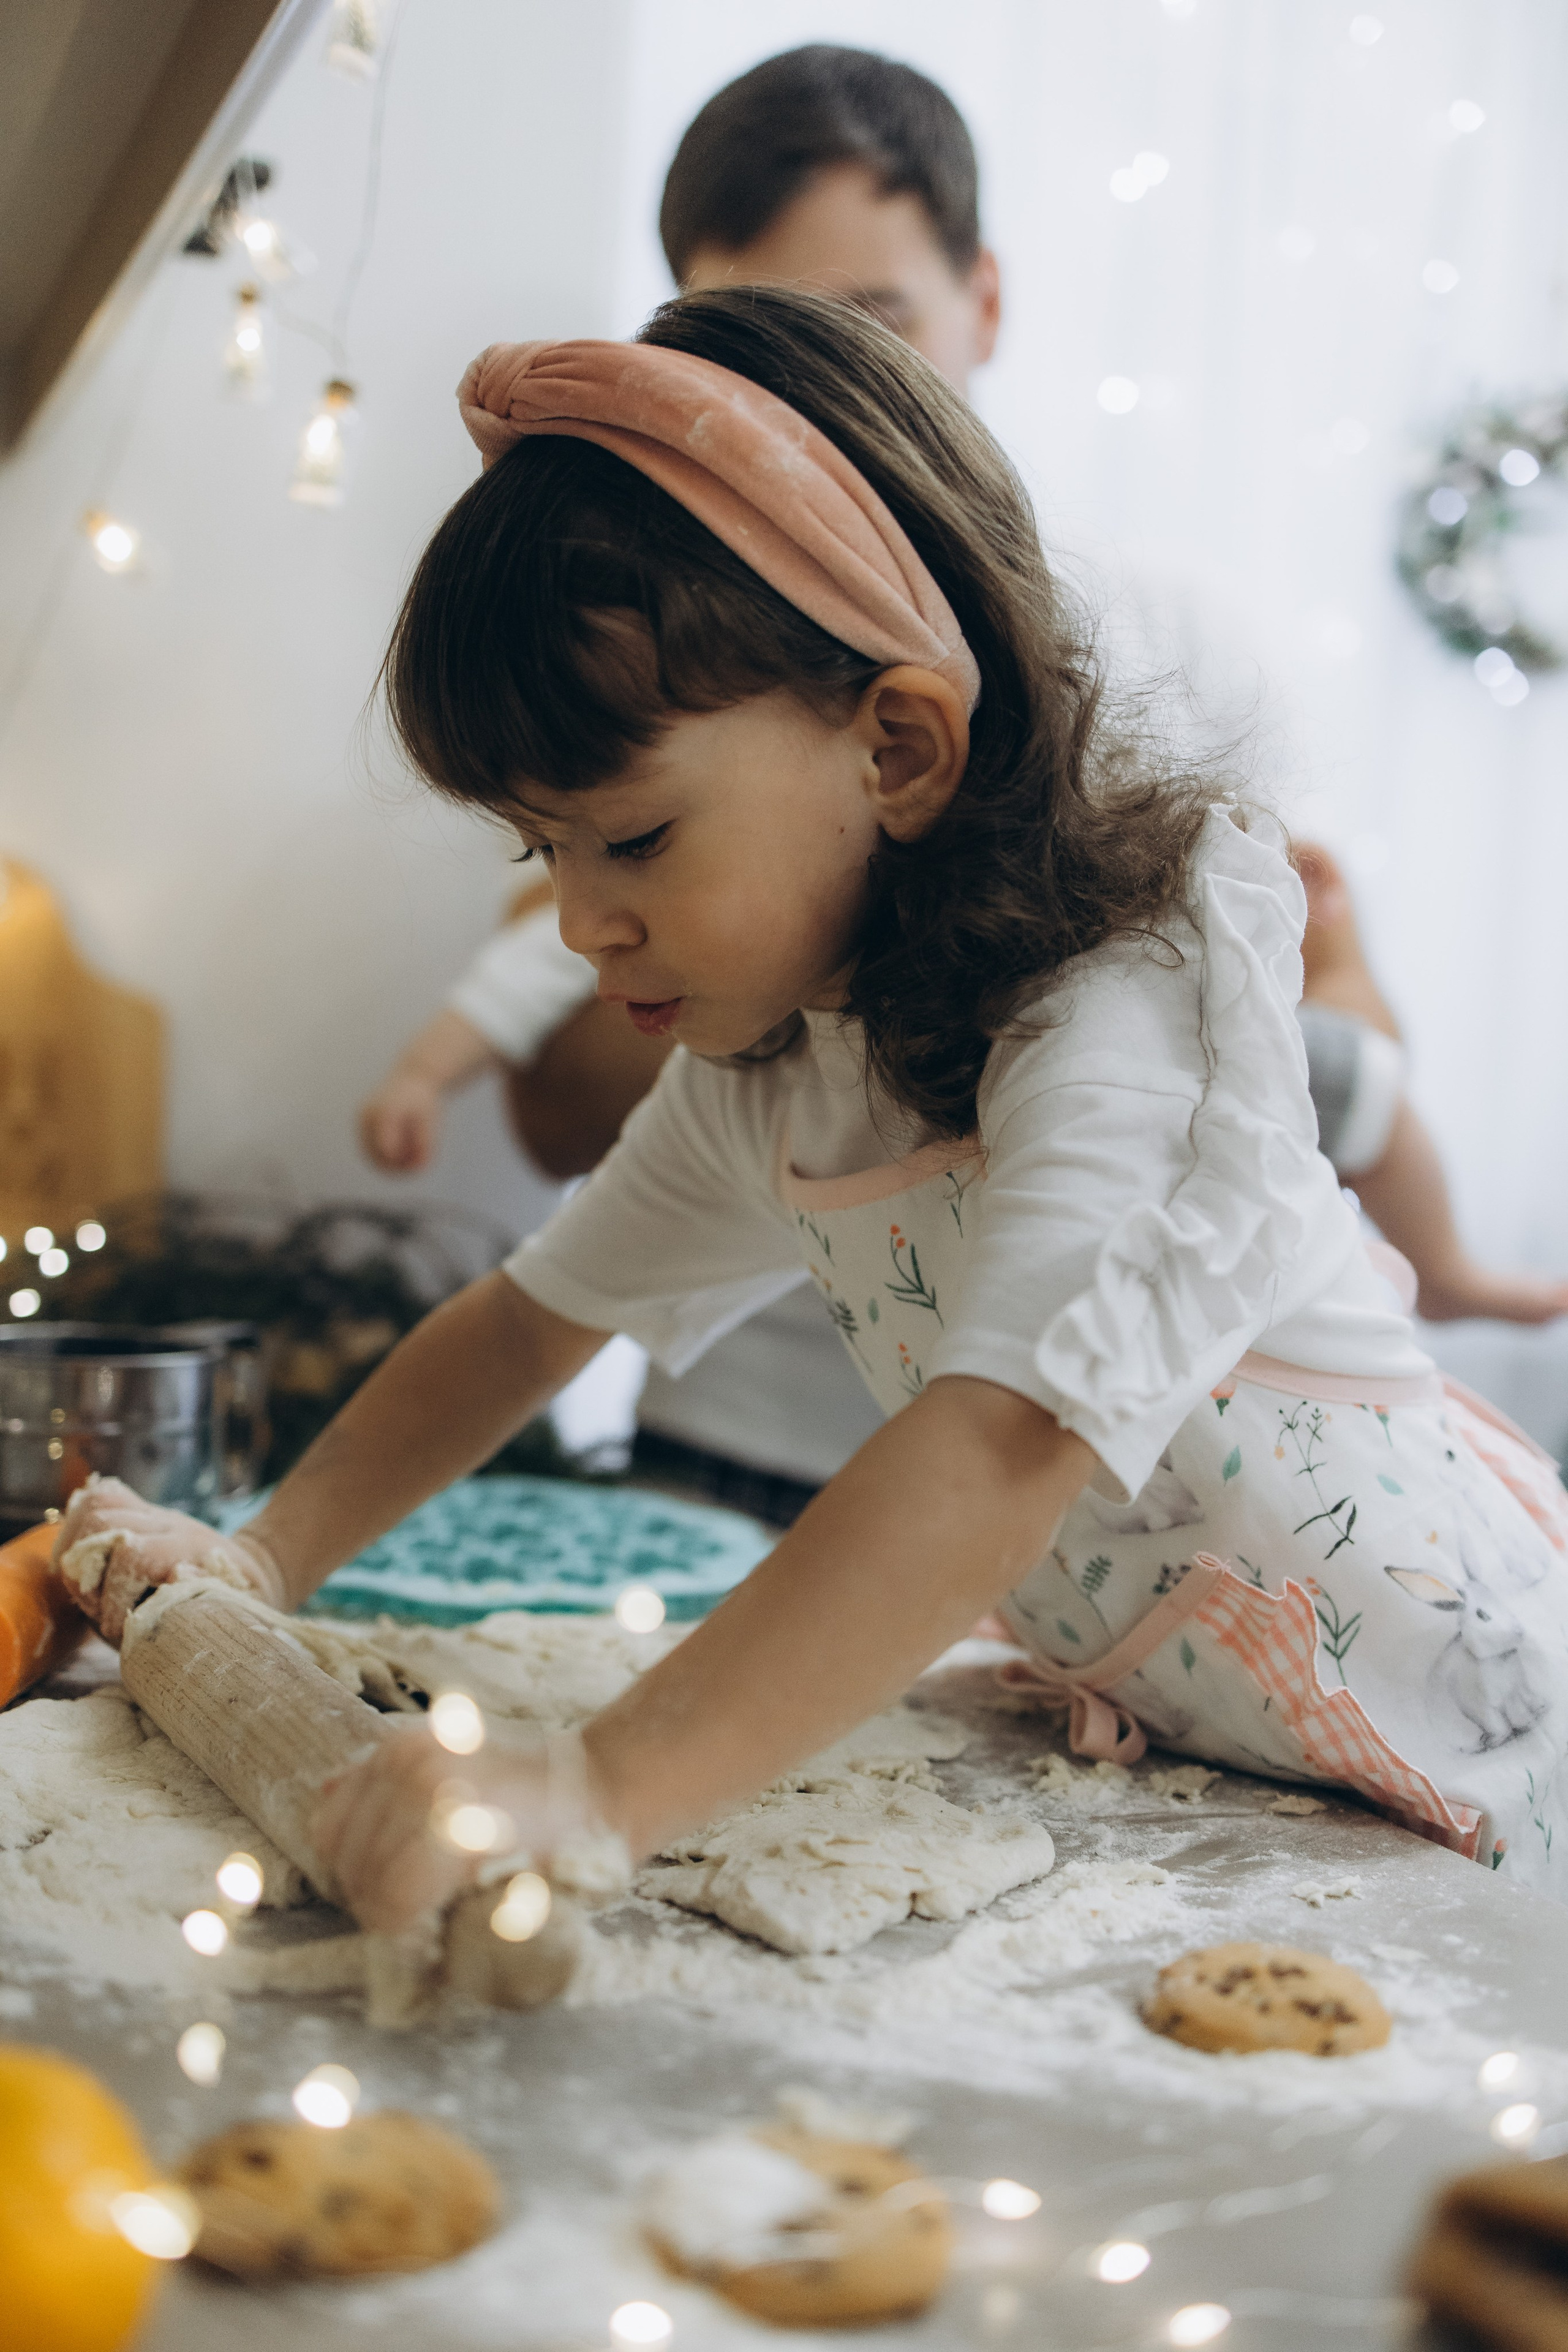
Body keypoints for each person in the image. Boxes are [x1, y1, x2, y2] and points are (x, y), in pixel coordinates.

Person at [72, 292, 1568, 1928]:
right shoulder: (776, 1065)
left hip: (1483, 1757)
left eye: (631, 841)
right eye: (539, 851)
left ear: (903, 747)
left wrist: (593, 1791)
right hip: (1252, 1767)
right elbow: (524, 1325)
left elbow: (994, 1458)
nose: (579, 921)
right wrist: (268, 1557)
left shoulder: (1122, 1019)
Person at [364, 43, 1567, 1338]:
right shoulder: (641, 660)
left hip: (1076, 1425)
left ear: (982, 302)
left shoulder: (1171, 636)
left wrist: (1302, 988)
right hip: (749, 1401)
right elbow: (556, 1116)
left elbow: (1308, 1036)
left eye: (872, 324)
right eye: (762, 349)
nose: (810, 410)